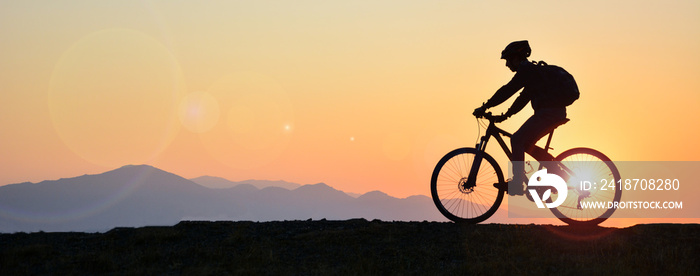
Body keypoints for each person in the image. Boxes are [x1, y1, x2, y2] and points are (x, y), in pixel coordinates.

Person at [472, 40, 568, 196]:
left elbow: (507, 90)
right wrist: (505, 115)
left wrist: (485, 106)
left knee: (517, 139)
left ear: (517, 57)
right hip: (552, 113)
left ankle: (517, 184)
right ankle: (556, 172)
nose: (507, 65)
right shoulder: (532, 74)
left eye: (508, 60)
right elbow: (522, 98)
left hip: (549, 114)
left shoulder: (526, 71)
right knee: (525, 143)